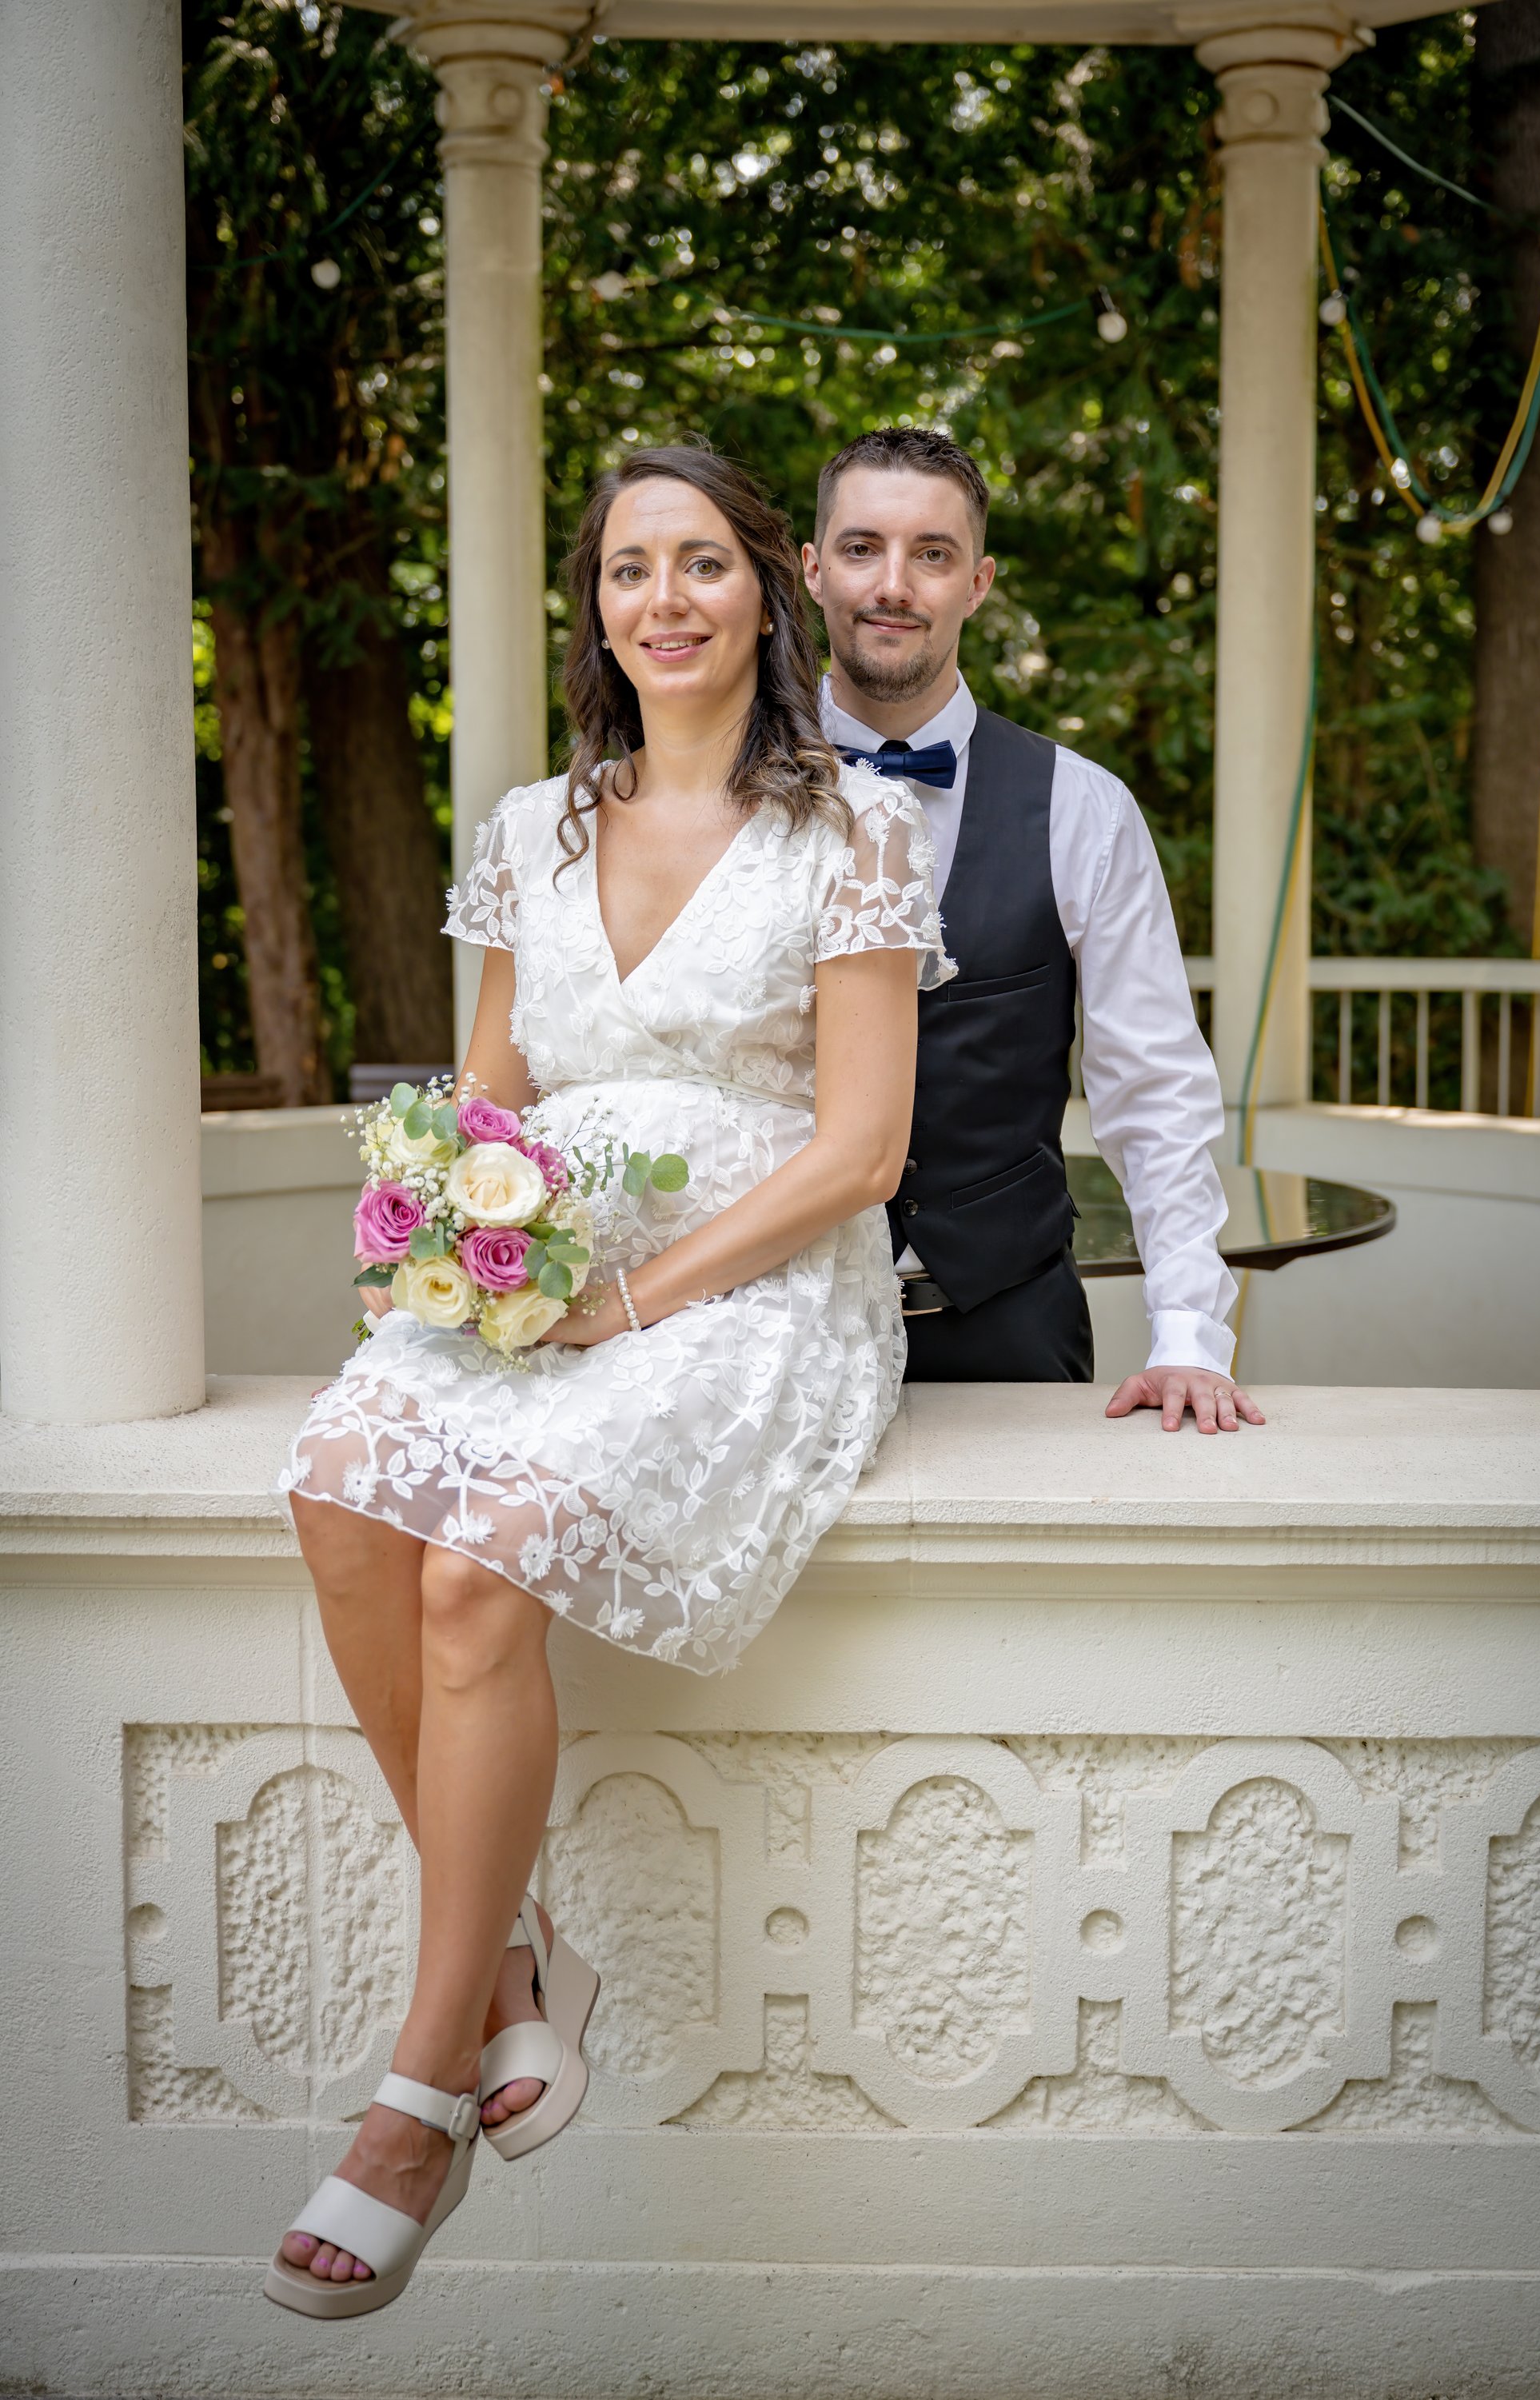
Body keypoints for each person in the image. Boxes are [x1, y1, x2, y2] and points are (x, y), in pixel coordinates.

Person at [267, 446, 950, 2317]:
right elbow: (490, 1086)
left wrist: (632, 1299)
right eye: (630, 566)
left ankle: (416, 2093)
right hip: (539, 1258)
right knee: (334, 1489)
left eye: (704, 563)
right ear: (597, 604)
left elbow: (862, 1146)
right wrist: (441, 1220)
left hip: (747, 1282)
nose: (665, 597)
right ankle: (516, 1969)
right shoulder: (526, 827)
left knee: (477, 1570)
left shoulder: (851, 836)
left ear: (764, 593)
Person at [804, 425, 1265, 1436]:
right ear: (811, 568)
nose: (893, 583)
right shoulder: (721, 797)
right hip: (770, 1324)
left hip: (1010, 1324)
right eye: (860, 547)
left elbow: (1151, 1087)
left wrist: (1187, 1328)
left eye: (931, 553)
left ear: (977, 583)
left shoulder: (1083, 808)